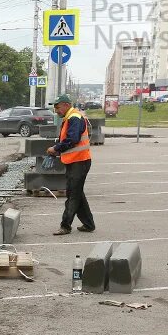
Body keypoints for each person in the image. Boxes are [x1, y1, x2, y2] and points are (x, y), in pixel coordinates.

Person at [46, 93, 96, 235]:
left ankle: (65, 226)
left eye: (57, 107)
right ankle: (89, 224)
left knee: (73, 195)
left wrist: (56, 148)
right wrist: (58, 148)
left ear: (66, 105)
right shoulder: (70, 117)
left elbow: (72, 139)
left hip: (79, 162)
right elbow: (67, 139)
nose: (56, 110)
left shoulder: (74, 117)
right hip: (75, 161)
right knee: (77, 194)